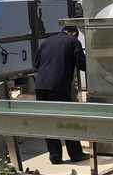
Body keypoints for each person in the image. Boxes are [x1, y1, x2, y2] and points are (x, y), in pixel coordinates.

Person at [33, 25, 89, 165]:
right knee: (67, 120)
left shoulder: (46, 41)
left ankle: (55, 156)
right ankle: (76, 154)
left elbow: (36, 64)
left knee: (48, 121)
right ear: (74, 33)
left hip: (40, 85)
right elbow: (82, 64)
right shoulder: (73, 41)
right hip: (58, 86)